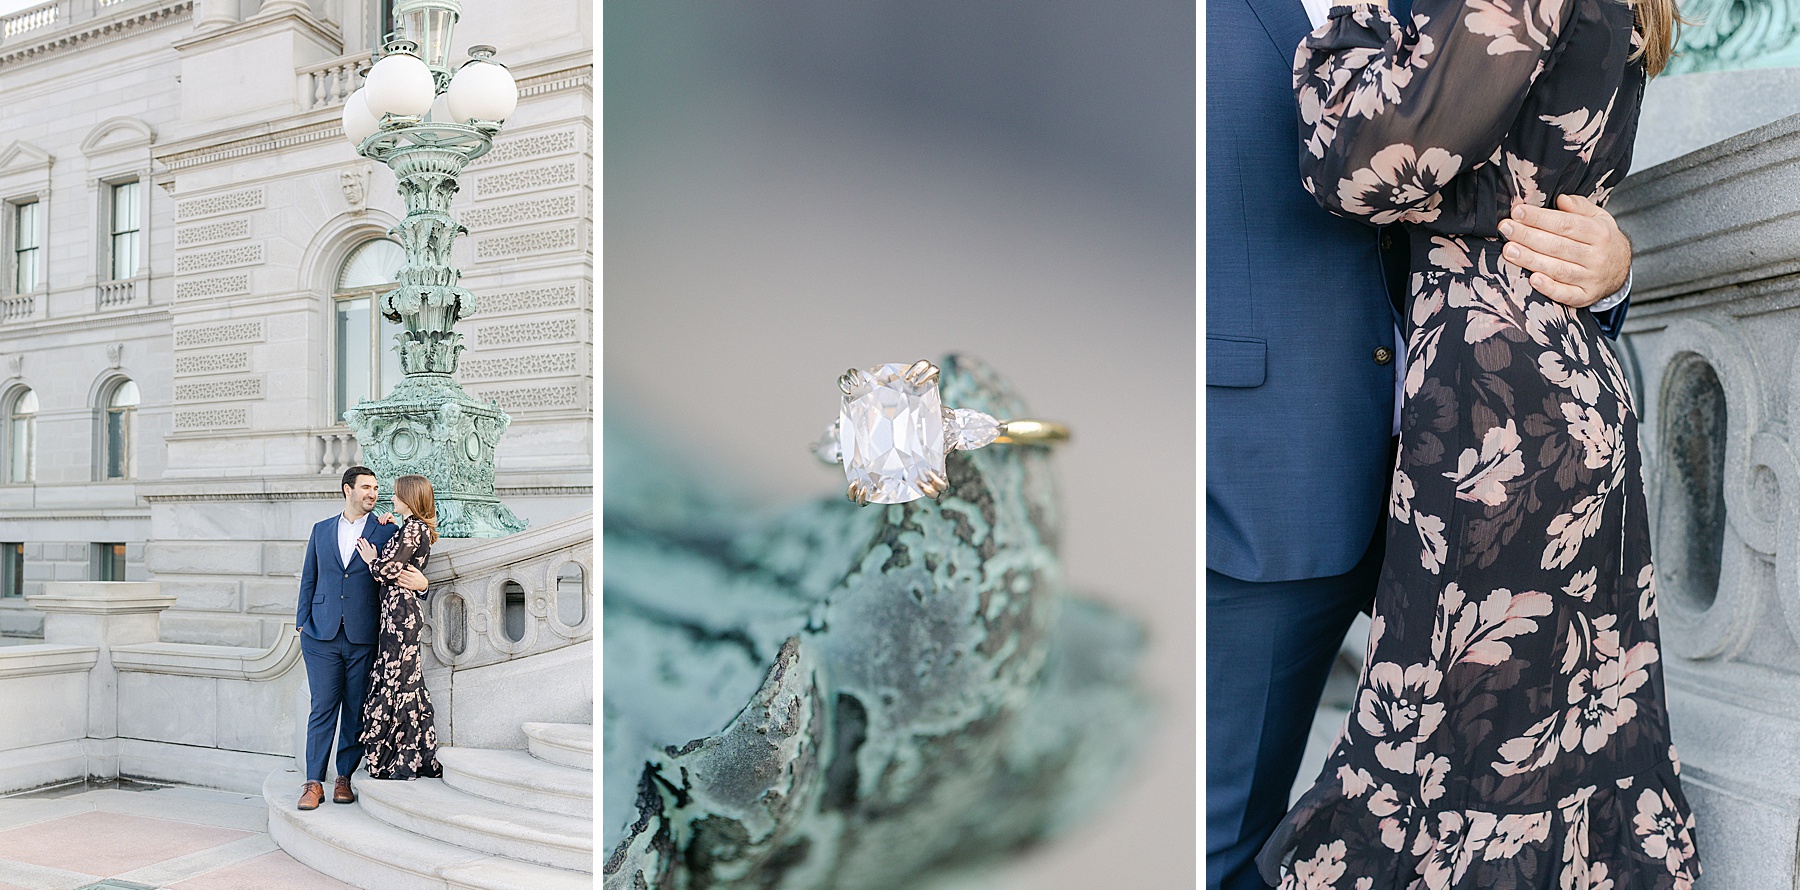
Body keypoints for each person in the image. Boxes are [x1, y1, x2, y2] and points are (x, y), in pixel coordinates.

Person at [1253, 0, 1700, 884]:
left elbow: (1357, 163)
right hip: (1539, 397)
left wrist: (1345, 38)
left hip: (1498, 423)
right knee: (1539, 756)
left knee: (1462, 765)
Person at [295, 466, 429, 810]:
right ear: (347, 490)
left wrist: (425, 586)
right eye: (366, 487)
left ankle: (343, 778)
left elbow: (410, 568)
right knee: (321, 708)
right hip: (321, 635)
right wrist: (301, 623)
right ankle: (313, 781)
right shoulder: (321, 529)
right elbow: (310, 577)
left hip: (364, 634)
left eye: (376, 488)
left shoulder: (388, 531)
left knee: (355, 710)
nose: (373, 493)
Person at [356, 473, 443, 780]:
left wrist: (371, 560)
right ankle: (410, 756)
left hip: (401, 616)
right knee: (405, 684)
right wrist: (389, 526)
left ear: (408, 496)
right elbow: (399, 556)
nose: (390, 497)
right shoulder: (410, 528)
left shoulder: (416, 528)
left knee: (399, 684)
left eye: (395, 494)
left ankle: (401, 759)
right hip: (396, 614)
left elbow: (389, 569)